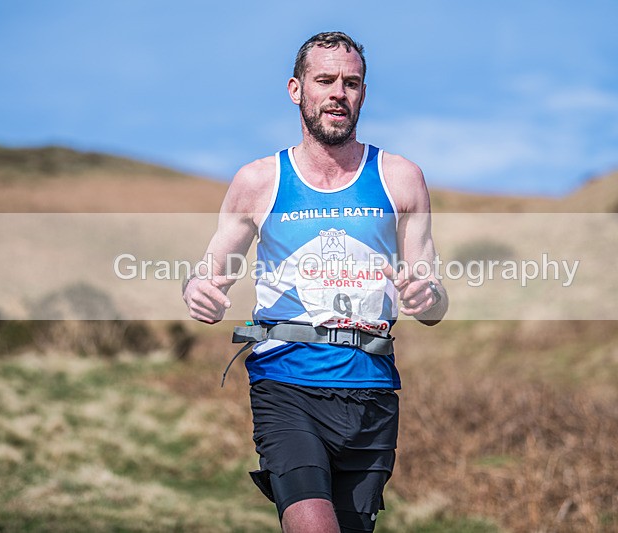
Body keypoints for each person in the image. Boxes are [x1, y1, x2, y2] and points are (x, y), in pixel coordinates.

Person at [183, 31, 448, 533]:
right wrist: (197, 289)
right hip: (284, 383)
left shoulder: (401, 178)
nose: (338, 93)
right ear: (295, 89)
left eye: (351, 83)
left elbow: (433, 302)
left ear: (363, 94)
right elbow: (208, 272)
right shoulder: (259, 181)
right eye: (324, 80)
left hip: (371, 391)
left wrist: (425, 295)